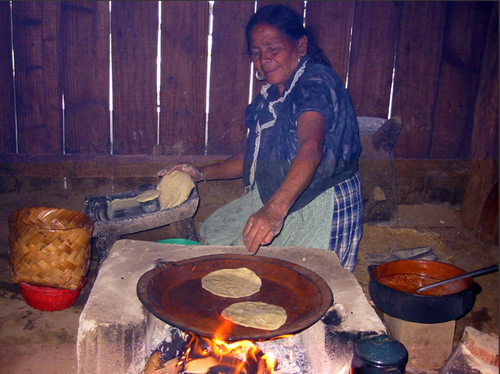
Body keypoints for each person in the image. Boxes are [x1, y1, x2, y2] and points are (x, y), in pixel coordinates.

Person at [158, 4, 363, 271]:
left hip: (319, 202)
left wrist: (275, 211)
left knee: (302, 277)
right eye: (257, 52)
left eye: (273, 48)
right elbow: (252, 156)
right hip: (278, 195)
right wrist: (200, 172)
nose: (264, 59)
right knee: (217, 233)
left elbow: (311, 146)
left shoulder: (315, 83)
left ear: (300, 46)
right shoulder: (270, 97)